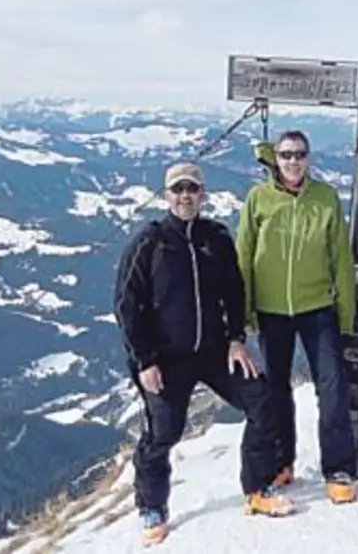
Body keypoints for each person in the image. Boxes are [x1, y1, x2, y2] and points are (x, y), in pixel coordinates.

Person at [113, 162, 295, 545]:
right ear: (166, 196)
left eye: (192, 189)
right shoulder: (151, 242)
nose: (185, 196)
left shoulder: (215, 238)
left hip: (215, 350)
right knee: (163, 432)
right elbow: (127, 305)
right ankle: (152, 506)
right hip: (165, 358)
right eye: (178, 189)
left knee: (262, 401)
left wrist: (234, 338)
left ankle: (258, 487)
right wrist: (145, 360)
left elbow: (234, 290)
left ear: (202, 194)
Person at [235, 129, 358, 504]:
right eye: (286, 154)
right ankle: (280, 461)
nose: (293, 161)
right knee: (275, 390)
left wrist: (346, 315)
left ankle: (338, 467)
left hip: (317, 307)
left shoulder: (325, 198)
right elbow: (244, 255)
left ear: (309, 158)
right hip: (272, 311)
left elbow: (341, 257)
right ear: (276, 158)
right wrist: (246, 310)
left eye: (300, 154)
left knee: (333, 386)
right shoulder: (259, 199)